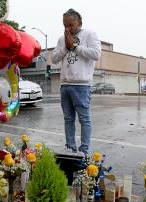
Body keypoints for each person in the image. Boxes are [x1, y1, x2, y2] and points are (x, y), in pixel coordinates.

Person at [51, 9, 101, 154]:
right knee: (68, 119)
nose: (68, 29)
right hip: (65, 84)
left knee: (84, 119)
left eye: (71, 25)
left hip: (81, 85)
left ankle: (84, 150)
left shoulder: (89, 34)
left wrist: (75, 47)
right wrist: (66, 47)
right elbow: (54, 59)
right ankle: (70, 148)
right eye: (65, 25)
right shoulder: (62, 39)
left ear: (79, 22)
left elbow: (96, 54)